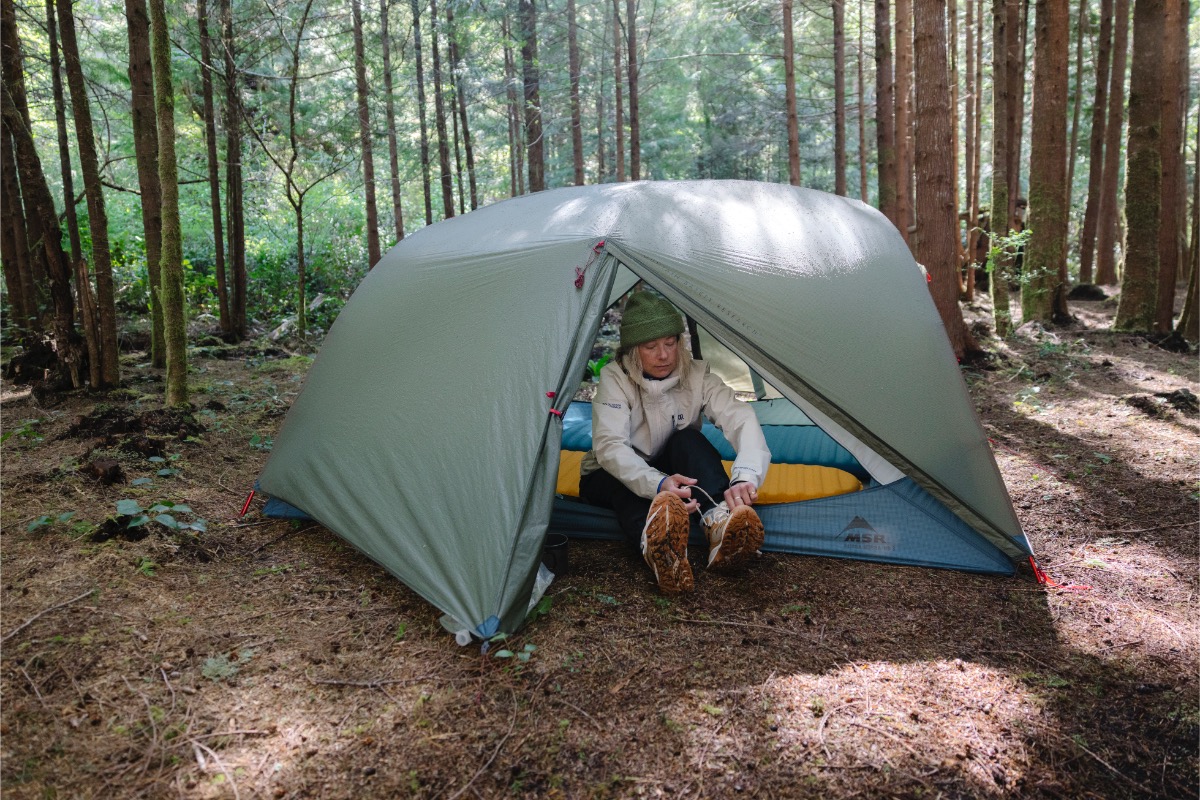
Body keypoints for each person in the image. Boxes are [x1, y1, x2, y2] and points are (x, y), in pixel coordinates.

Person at [579, 291, 770, 594]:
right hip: (607, 474)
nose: (663, 355)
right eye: (650, 347)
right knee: (625, 486)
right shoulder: (615, 378)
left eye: (670, 343)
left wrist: (746, 475)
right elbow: (609, 447)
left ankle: (719, 524)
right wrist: (658, 484)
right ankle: (659, 550)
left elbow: (740, 417)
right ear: (632, 350)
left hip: (668, 469)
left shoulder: (695, 374)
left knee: (689, 440)